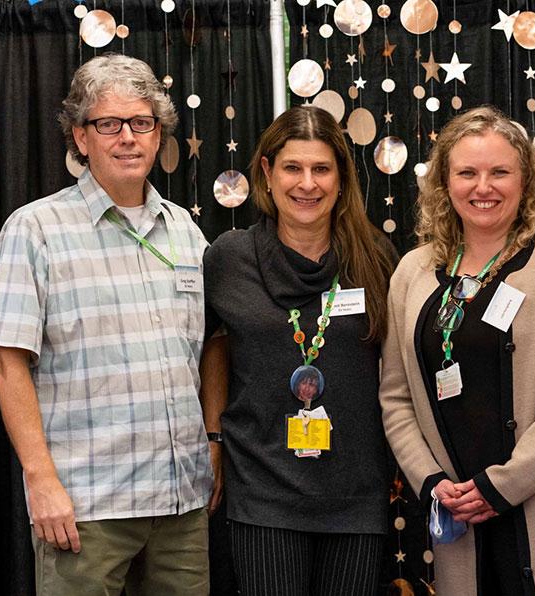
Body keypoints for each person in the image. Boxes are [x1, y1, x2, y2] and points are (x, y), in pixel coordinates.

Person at [0, 54, 211, 594]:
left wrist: (216, 444)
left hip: (182, 504)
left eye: (141, 122)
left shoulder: (186, 233)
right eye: (108, 124)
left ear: (159, 134)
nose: (127, 137)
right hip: (84, 508)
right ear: (80, 138)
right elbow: (7, 361)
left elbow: (216, 345)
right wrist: (40, 482)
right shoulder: (36, 228)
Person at [379, 106, 535, 595]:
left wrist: (502, 486)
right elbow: (396, 396)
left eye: (500, 172)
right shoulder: (412, 272)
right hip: (459, 515)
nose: (482, 187)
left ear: (526, 181)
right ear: (445, 183)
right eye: (467, 172)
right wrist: (430, 482)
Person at [200, 105, 397, 596]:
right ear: (267, 172)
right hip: (263, 488)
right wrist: (213, 437)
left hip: (356, 490)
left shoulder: (376, 259)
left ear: (341, 177)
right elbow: (213, 346)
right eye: (292, 167)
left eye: (321, 169)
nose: (306, 184)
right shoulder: (230, 257)